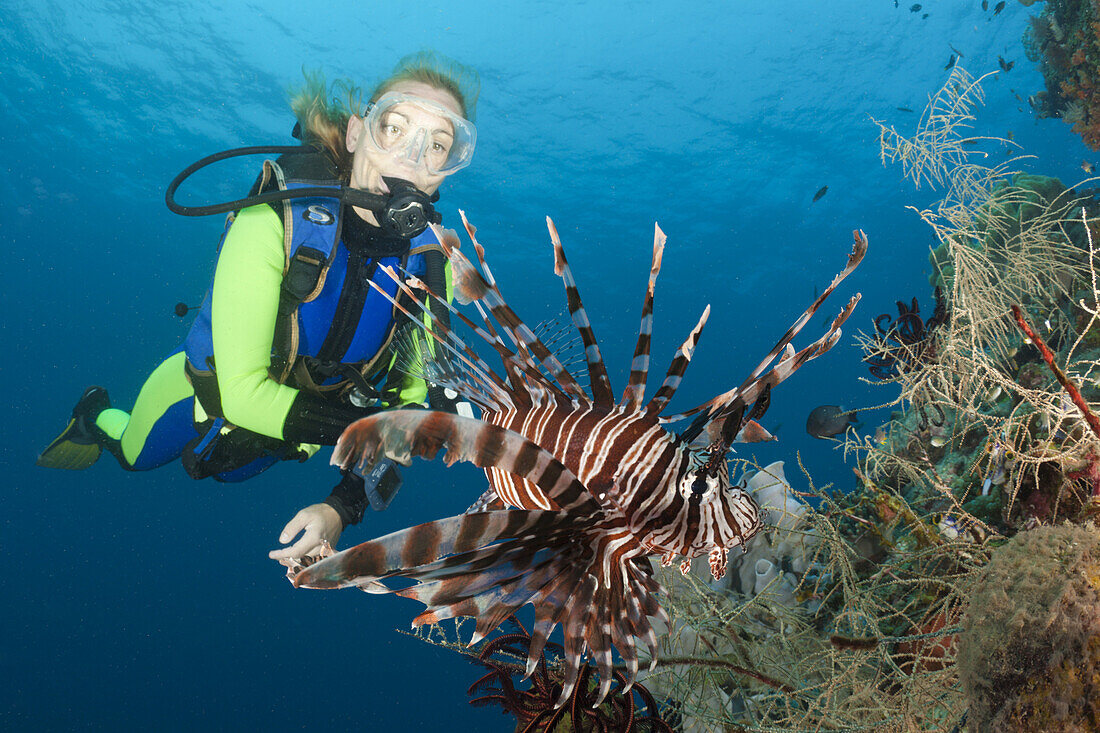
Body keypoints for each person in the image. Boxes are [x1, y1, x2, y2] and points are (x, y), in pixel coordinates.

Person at [37, 52, 480, 562]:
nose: (410, 156)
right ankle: (93, 416)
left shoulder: (431, 268)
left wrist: (341, 506)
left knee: (233, 469)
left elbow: (412, 401)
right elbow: (243, 395)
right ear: (357, 134)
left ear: (445, 172)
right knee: (134, 457)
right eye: (395, 128)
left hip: (290, 439)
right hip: (198, 402)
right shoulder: (274, 222)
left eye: (439, 145)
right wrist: (380, 430)